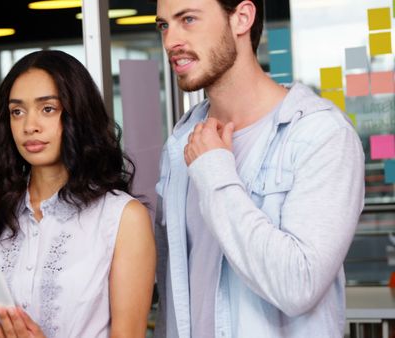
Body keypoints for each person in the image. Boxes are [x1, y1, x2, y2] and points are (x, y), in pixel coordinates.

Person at [153, 0, 364, 337]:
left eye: (187, 20)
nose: (170, 41)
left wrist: (215, 174)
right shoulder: (179, 146)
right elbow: (173, 291)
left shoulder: (319, 135)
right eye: (164, 25)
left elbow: (298, 286)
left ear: (242, 18)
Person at [0, 50, 156, 338]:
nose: (29, 126)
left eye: (48, 109)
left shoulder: (122, 218)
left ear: (78, 114)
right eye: (17, 111)